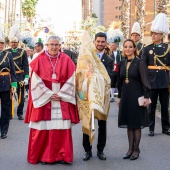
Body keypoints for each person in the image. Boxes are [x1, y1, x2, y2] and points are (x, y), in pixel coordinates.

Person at [24, 36, 79, 164]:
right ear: (47, 45)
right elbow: (35, 80)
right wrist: (49, 94)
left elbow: (72, 78)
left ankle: (62, 155)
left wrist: (61, 94)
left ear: (60, 46)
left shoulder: (66, 59)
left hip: (61, 98)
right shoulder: (39, 59)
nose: (54, 47)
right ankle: (44, 156)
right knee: (43, 128)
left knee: (61, 129)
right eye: (51, 44)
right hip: (44, 99)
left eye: (56, 44)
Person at [81, 32, 113, 161]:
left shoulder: (109, 60)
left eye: (102, 42)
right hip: (88, 96)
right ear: (94, 42)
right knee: (87, 123)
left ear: (106, 43)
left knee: (102, 124)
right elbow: (81, 74)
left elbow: (108, 77)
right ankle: (87, 151)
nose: (100, 44)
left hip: (102, 97)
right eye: (98, 41)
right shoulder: (87, 58)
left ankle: (100, 150)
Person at [117, 39, 150, 160]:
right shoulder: (121, 62)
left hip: (137, 96)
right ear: (123, 49)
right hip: (126, 96)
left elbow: (145, 80)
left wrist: (146, 97)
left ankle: (136, 149)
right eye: (126, 47)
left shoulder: (140, 62)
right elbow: (119, 82)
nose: (128, 49)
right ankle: (130, 148)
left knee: (136, 124)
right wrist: (119, 97)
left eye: (130, 47)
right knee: (129, 124)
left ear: (135, 48)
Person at [142, 13, 170, 136]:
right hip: (151, 81)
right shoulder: (147, 49)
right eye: (152, 33)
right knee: (151, 107)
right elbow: (142, 67)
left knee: (165, 107)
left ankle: (166, 127)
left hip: (164, 80)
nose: (153, 35)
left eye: (156, 33)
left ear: (161, 35)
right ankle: (151, 128)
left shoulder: (168, 48)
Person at [6, 37, 29, 120]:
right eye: (12, 42)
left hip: (20, 76)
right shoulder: (6, 52)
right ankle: (9, 113)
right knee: (9, 95)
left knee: (20, 95)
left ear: (18, 42)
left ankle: (20, 113)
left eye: (15, 42)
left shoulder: (23, 52)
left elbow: (26, 65)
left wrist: (26, 77)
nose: (13, 44)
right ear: (9, 43)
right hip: (9, 77)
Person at [0, 31, 17, 139]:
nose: (0, 45)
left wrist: (14, 84)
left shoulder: (8, 55)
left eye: (1, 43)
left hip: (5, 83)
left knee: (5, 109)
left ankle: (4, 130)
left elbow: (13, 71)